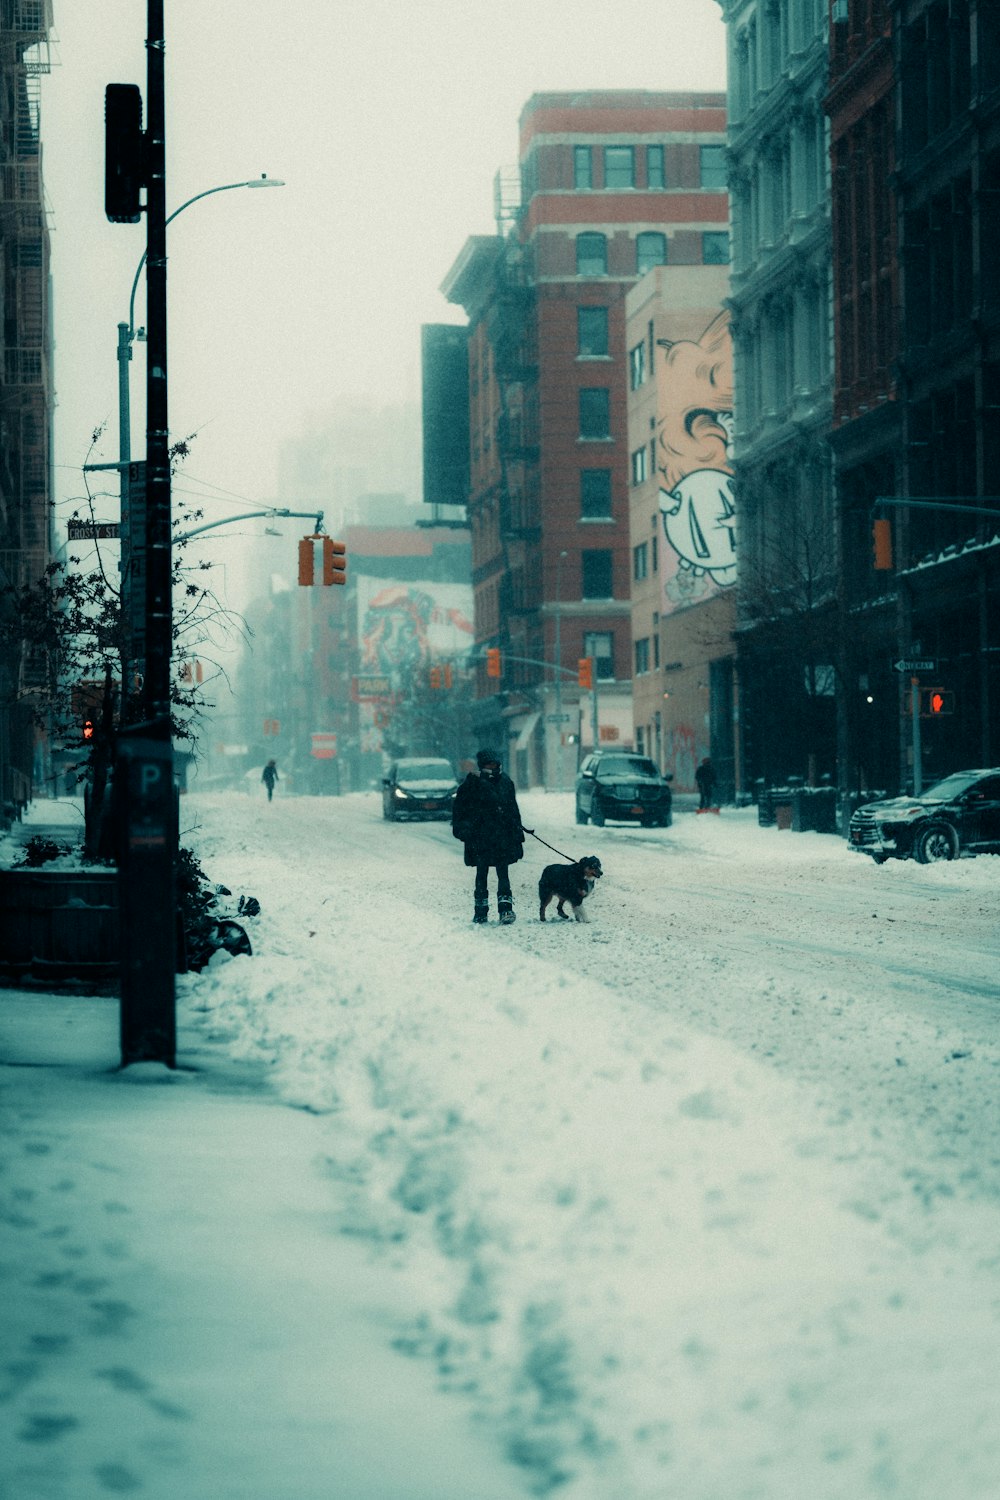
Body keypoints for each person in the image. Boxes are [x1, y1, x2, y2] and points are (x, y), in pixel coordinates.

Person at [451, 748, 530, 925]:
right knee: (482, 874)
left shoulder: (506, 782)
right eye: (489, 764)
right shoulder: (471, 783)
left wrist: (518, 833)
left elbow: (513, 810)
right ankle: (480, 911)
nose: (492, 766)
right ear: (482, 765)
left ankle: (506, 910)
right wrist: (464, 830)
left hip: (502, 836)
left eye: (494, 763)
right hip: (480, 837)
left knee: (503, 873)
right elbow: (460, 810)